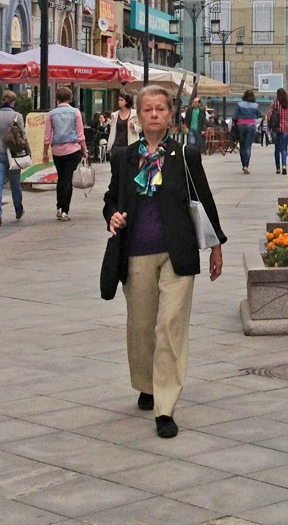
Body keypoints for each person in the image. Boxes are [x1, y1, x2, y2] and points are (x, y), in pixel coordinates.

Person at [103, 84, 226, 439]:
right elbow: (112, 199)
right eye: (148, 110)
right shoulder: (124, 158)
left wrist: (217, 245)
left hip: (178, 252)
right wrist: (112, 215)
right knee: (141, 327)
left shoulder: (186, 155)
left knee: (170, 326)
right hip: (137, 251)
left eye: (160, 109)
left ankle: (166, 406)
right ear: (139, 117)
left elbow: (204, 198)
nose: (154, 115)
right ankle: (146, 383)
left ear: (171, 115)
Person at [45, 84, 88, 221]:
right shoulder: (76, 112)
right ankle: (65, 210)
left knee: (61, 178)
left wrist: (45, 152)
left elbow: (47, 136)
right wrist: (85, 150)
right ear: (70, 98)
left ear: (57, 98)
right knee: (67, 179)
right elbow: (80, 134)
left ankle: (59, 207)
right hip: (72, 149)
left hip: (57, 150)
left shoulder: (51, 114)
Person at [0, 90, 25, 226]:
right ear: (13, 102)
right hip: (13, 154)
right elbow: (22, 135)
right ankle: (18, 209)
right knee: (15, 184)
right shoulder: (18, 116)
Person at [266, 88, 288, 175]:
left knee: (277, 148)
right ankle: (284, 166)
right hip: (285, 129)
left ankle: (278, 168)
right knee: (283, 148)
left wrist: (269, 124)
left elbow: (269, 115)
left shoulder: (275, 103)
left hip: (276, 129)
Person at [232, 90, 260, 173]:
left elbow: (235, 116)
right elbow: (258, 115)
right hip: (251, 126)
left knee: (242, 145)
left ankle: (243, 163)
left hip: (241, 126)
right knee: (248, 146)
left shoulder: (239, 104)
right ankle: (246, 165)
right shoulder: (256, 105)